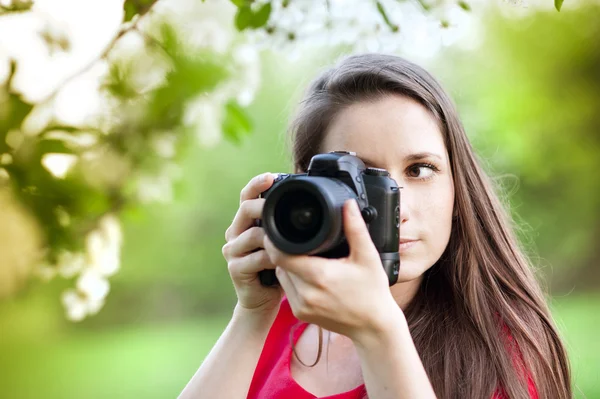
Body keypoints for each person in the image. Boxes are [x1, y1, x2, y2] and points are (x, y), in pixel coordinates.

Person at [179, 53, 571, 399]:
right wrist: (250, 315)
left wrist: (380, 333)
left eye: (420, 170)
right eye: (362, 177)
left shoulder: (503, 351)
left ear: (458, 187)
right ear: (310, 189)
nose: (397, 208)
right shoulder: (276, 318)